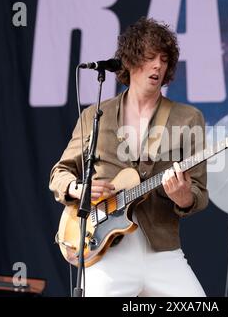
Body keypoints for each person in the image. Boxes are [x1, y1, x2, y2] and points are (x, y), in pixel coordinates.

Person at [49, 17, 208, 297]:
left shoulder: (188, 118)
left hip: (162, 250)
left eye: (164, 59)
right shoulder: (96, 115)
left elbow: (199, 193)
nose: (158, 65)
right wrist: (78, 188)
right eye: (149, 57)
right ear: (131, 61)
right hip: (107, 249)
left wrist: (183, 197)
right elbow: (60, 173)